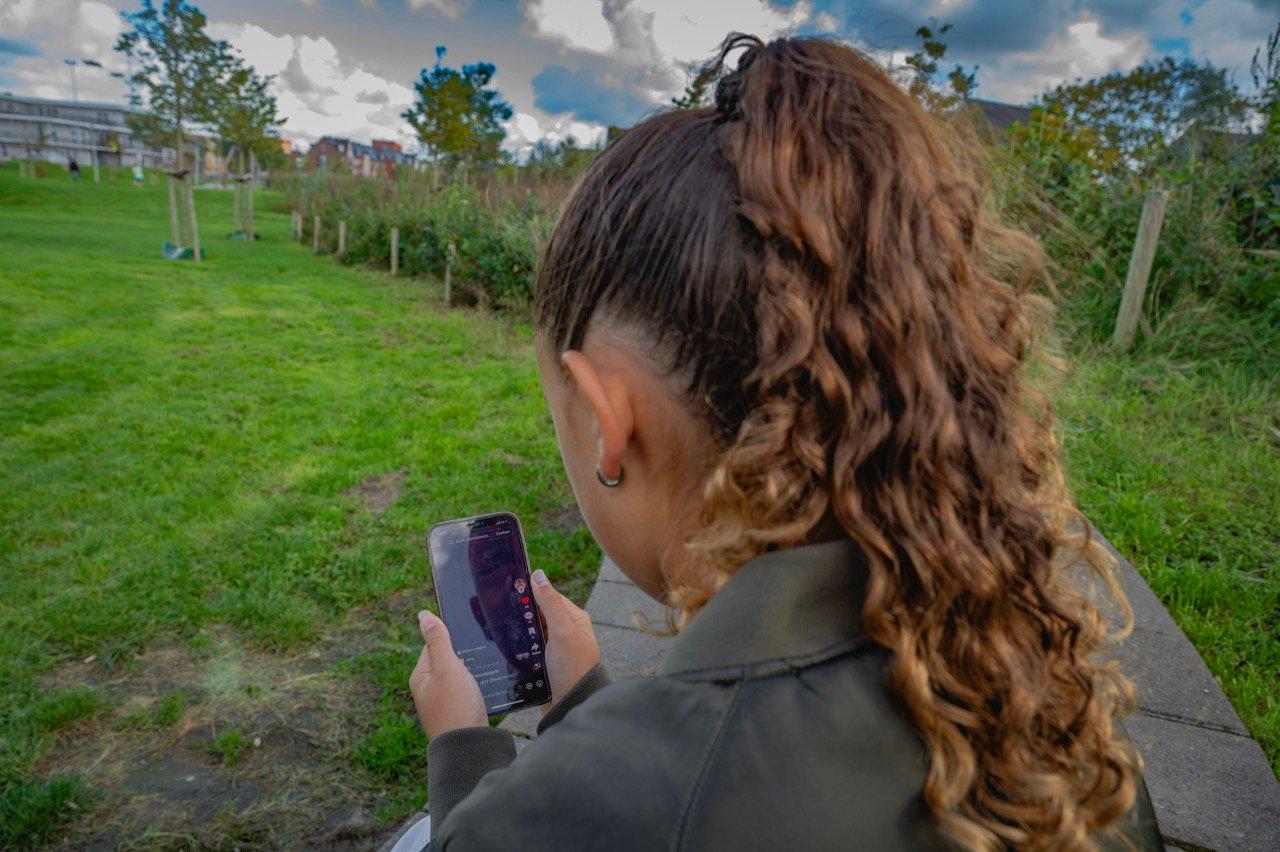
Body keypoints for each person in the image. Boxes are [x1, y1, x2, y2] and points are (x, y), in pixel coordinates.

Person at [403, 34, 1163, 851]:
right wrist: (588, 704)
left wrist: (461, 749)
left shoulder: (574, 809)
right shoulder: (1041, 687)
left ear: (606, 419)